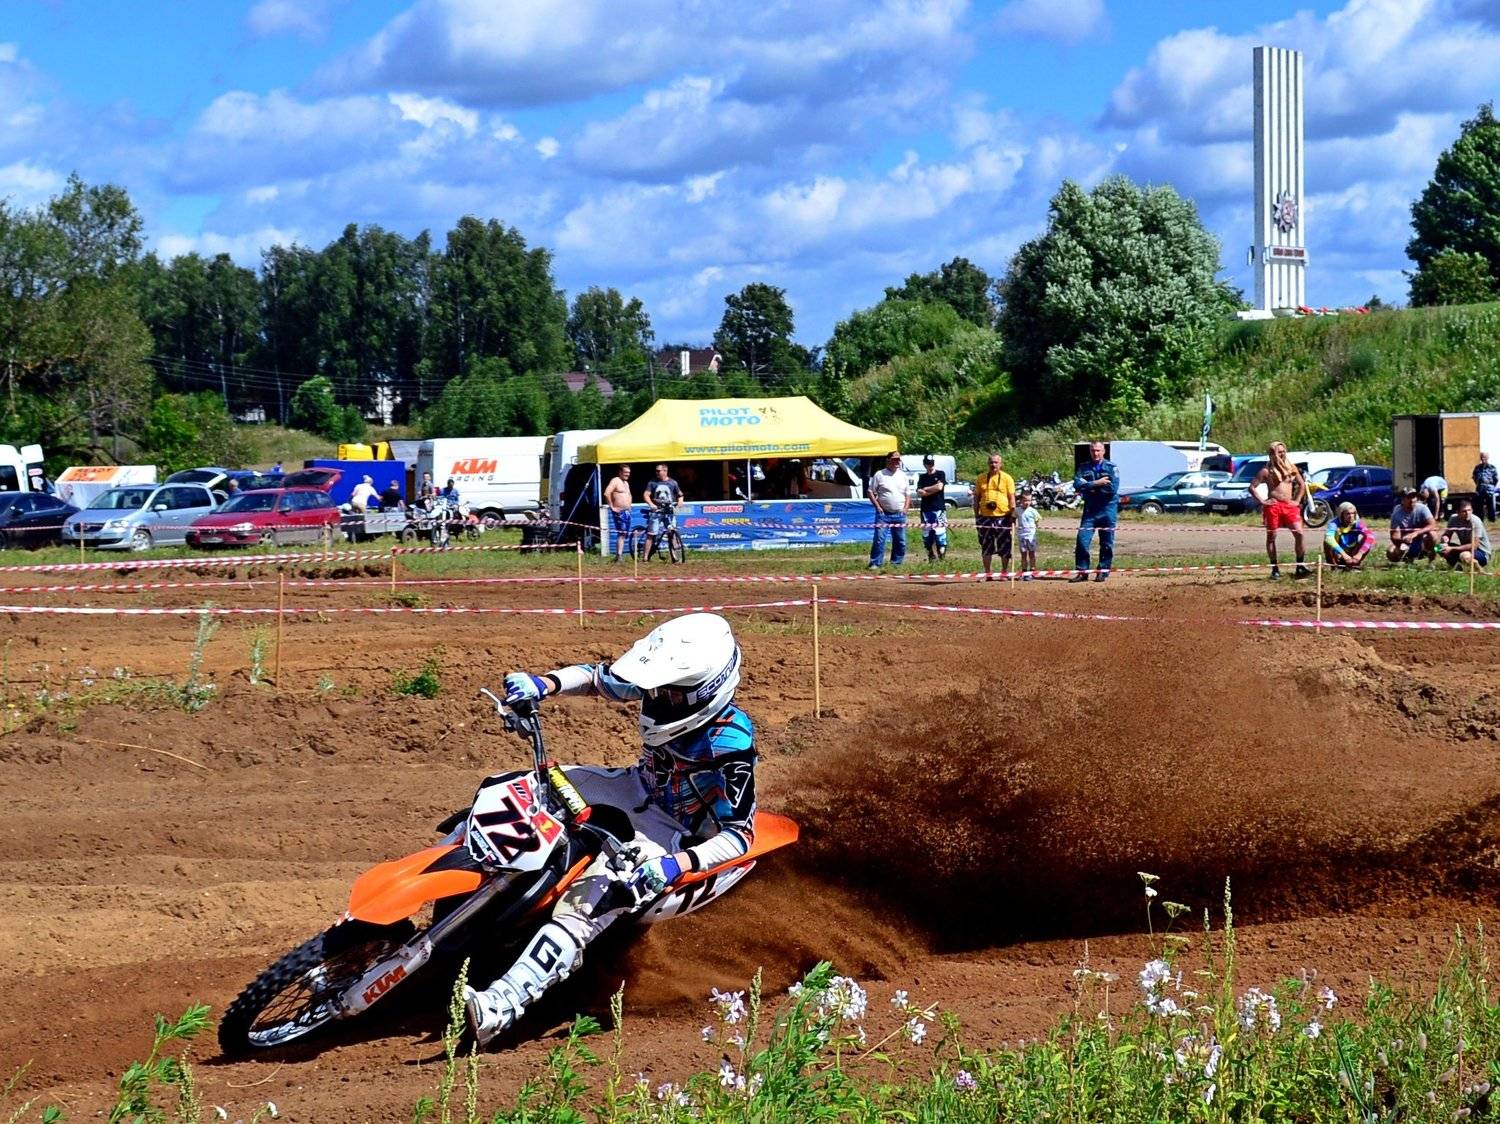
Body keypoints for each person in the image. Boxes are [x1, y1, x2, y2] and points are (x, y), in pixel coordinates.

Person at [465, 613, 756, 1046]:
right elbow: (598, 679)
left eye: (670, 695)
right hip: (633, 786)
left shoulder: (730, 743)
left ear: (706, 692)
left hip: (673, 830)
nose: (657, 699)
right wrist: (543, 684)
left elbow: (739, 835)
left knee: (593, 896)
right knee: (515, 788)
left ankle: (503, 1003)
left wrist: (675, 865)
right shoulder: (661, 686)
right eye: (657, 690)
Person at [1250, 442, 1309, 580]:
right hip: (1273, 506)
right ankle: (1275, 569)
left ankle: (1300, 566)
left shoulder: (1291, 468)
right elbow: (1252, 487)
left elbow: (1301, 484)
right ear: (1272, 454)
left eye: (1283, 451)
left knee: (1299, 533)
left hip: (1289, 506)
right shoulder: (1266, 471)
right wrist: (1263, 501)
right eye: (1278, 452)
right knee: (1272, 536)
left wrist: (1297, 500)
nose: (1281, 454)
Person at [1072, 441, 1118, 583]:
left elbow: (1111, 489)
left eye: (1098, 450)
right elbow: (1076, 484)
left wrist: (1087, 487)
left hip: (1107, 509)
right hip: (1090, 510)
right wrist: (1096, 483)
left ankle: (1102, 571)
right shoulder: (1084, 467)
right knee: (1082, 540)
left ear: (1103, 451)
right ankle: (1082, 571)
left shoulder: (1111, 468)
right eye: (1093, 450)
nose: (1095, 453)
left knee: (1106, 543)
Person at [973, 452, 1016, 580]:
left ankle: (1004, 572)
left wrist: (1013, 513)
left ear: (1000, 464)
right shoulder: (981, 478)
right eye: (991, 462)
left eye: (996, 462)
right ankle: (988, 573)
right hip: (985, 517)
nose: (993, 465)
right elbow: (976, 498)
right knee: (986, 546)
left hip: (1003, 517)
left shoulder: (1007, 478)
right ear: (988, 464)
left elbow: (1011, 497)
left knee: (1005, 545)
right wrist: (976, 515)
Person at [867, 451, 910, 568]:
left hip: (900, 514)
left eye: (898, 459)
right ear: (888, 460)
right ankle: (875, 563)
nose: (897, 462)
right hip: (883, 515)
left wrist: (906, 508)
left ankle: (896, 563)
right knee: (879, 539)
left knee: (901, 540)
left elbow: (907, 493)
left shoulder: (903, 475)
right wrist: (878, 506)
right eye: (895, 459)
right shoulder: (879, 474)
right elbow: (870, 491)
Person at [1387, 487, 1438, 564]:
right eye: (1409, 497)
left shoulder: (1423, 508)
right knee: (1391, 552)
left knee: (1433, 535)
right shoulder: (1396, 513)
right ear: (1402, 499)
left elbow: (1432, 525)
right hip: (1405, 543)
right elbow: (1394, 536)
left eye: (1414, 497)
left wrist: (1415, 533)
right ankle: (1408, 557)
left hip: (1422, 541)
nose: (1412, 500)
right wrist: (1402, 541)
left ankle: (1431, 560)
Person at [1439, 497, 1491, 569]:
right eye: (1464, 511)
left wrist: (1451, 548)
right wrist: (1445, 537)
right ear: (1457, 512)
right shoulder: (1453, 519)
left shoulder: (1475, 521)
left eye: (1469, 510)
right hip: (1465, 549)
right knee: (1438, 548)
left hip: (1481, 552)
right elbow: (1447, 534)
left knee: (1464, 555)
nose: (1467, 513)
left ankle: (1478, 569)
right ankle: (1456, 567)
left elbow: (1474, 545)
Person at [1323, 502, 1375, 569]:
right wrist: (1343, 554)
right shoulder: (1334, 523)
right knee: (1327, 542)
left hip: (1352, 552)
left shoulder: (1357, 523)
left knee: (1367, 541)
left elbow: (1370, 536)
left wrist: (1360, 554)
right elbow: (1328, 538)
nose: (1351, 516)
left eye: (1353, 513)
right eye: (1347, 514)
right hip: (1338, 553)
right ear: (1341, 514)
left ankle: (1355, 564)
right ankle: (1334, 567)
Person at [915, 455, 947, 562]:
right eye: (928, 463)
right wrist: (932, 489)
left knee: (940, 534)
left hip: (939, 508)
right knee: (927, 535)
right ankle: (931, 557)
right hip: (926, 509)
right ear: (925, 465)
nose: (931, 465)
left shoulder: (940, 473)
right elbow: (919, 492)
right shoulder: (922, 477)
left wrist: (926, 489)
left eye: (932, 463)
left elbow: (939, 487)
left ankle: (942, 557)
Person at [603, 465, 634, 563]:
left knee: (624, 534)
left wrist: (629, 506)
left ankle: (619, 555)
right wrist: (612, 507)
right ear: (620, 472)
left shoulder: (626, 483)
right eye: (625, 472)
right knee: (621, 533)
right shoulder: (615, 481)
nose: (627, 475)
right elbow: (606, 493)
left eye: (628, 473)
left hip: (627, 511)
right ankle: (619, 556)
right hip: (619, 512)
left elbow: (628, 495)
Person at [1016, 490, 1039, 579]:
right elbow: (1013, 518)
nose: (1027, 502)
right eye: (1025, 500)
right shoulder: (1017, 510)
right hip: (1022, 536)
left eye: (1029, 500)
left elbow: (1037, 521)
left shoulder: (1033, 511)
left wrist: (1034, 529)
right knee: (1023, 554)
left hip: (1031, 536)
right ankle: (1024, 571)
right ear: (1021, 500)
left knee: (1032, 554)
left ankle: (1032, 570)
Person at [1474, 452, 1498, 523]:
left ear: (1488, 458)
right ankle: (1480, 521)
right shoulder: (1477, 467)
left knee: (1491, 506)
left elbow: (1496, 479)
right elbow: (1474, 477)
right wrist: (1479, 484)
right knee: (1479, 506)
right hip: (1480, 489)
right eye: (1482, 457)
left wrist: (1491, 486)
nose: (1483, 459)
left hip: (1489, 489)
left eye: (1485, 457)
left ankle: (1492, 520)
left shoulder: (1492, 467)